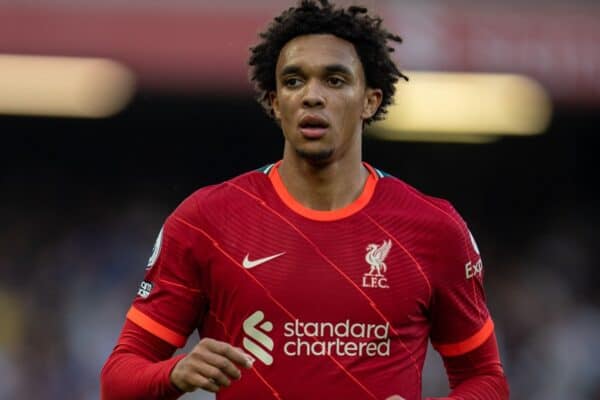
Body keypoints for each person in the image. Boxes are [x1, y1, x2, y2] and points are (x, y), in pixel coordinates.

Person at [100, 1, 509, 399]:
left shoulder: (433, 228)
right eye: (294, 81)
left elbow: (486, 379)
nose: (312, 96)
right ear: (276, 103)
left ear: (371, 100)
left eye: (335, 80)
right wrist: (175, 373)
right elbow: (118, 378)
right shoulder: (205, 220)